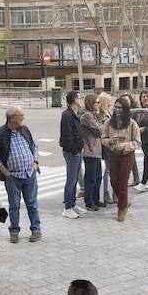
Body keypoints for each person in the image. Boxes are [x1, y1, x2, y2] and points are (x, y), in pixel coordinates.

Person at [0, 107, 42, 243]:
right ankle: (14, 231)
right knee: (14, 206)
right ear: (12, 118)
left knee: (32, 203)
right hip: (12, 176)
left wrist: (35, 162)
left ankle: (36, 230)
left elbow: (34, 146)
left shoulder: (24, 129)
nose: (23, 117)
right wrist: (6, 173)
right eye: (21, 115)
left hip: (29, 173)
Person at [104, 103, 141, 221]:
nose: (117, 110)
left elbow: (137, 142)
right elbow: (103, 138)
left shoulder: (132, 123)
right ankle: (125, 201)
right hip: (113, 154)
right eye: (116, 107)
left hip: (127, 155)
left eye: (120, 107)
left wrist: (125, 146)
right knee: (114, 181)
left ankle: (121, 209)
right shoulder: (108, 122)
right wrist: (110, 141)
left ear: (125, 109)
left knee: (123, 182)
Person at [59, 91, 84, 219]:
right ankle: (67, 208)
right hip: (72, 152)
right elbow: (67, 135)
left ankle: (72, 204)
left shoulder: (75, 114)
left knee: (74, 180)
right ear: (74, 100)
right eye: (79, 97)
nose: (81, 99)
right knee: (71, 180)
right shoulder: (67, 115)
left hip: (78, 151)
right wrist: (74, 150)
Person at [81, 94, 106, 211]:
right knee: (91, 178)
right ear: (91, 103)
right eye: (97, 102)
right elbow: (100, 130)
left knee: (97, 177)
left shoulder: (94, 115)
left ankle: (96, 199)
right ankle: (89, 201)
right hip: (90, 150)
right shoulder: (87, 116)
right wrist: (102, 125)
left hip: (96, 150)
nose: (99, 104)